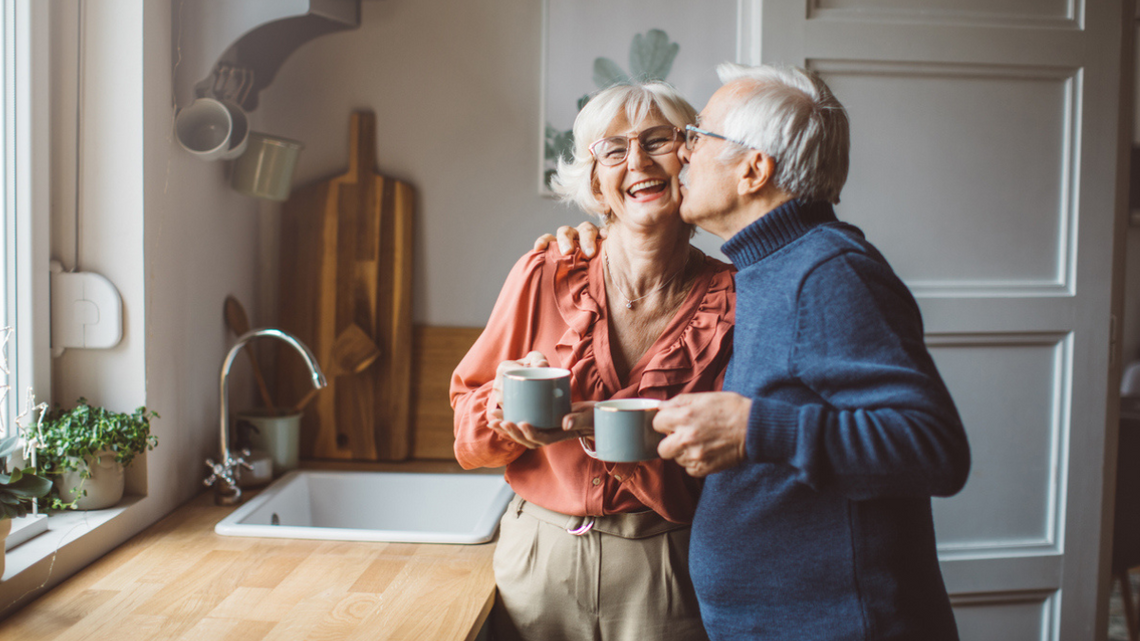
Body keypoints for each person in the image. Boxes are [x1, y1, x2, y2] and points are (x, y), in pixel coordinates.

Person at [543, 63, 971, 641]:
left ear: (752, 169)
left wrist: (753, 431)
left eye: (697, 138)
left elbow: (934, 448)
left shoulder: (829, 273)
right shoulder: (767, 267)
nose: (683, 155)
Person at [451, 80, 735, 641]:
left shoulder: (735, 299)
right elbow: (465, 432)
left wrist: (636, 440)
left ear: (690, 158)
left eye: (657, 140)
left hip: (667, 566)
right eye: (613, 149)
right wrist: (499, 411)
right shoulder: (545, 270)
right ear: (597, 183)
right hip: (538, 559)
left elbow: (735, 469)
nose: (637, 161)